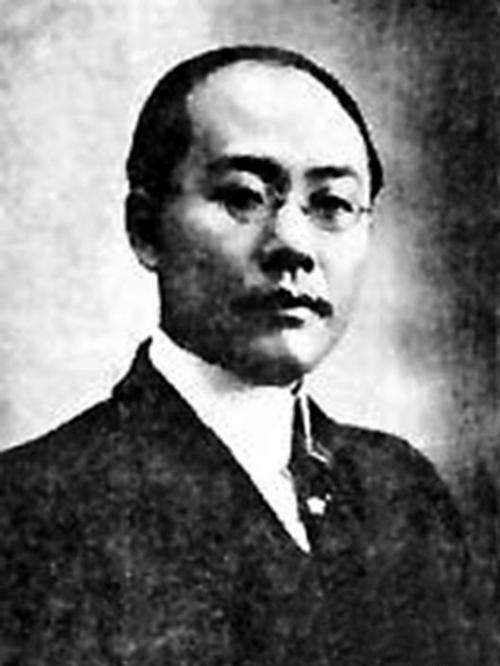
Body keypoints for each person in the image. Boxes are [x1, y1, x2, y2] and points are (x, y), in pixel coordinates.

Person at [0, 45, 472, 665]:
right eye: (243, 197)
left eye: (332, 205)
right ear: (145, 228)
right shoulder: (31, 511)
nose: (293, 244)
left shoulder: (403, 494)